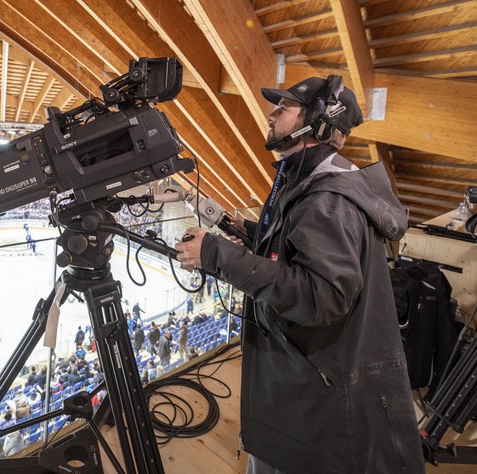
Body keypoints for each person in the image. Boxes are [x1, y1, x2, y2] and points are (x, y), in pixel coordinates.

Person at [174, 76, 422, 473]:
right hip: (307, 388)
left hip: (315, 411)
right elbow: (301, 246)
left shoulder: (326, 200)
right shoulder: (313, 180)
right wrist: (249, 232)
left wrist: (215, 254)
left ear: (320, 122)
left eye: (283, 108)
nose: (271, 115)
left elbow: (320, 296)